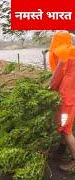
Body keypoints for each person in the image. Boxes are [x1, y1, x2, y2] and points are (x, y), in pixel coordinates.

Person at [49, 31, 75, 171]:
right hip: (72, 96)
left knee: (66, 129)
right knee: (63, 125)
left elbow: (56, 77)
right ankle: (61, 150)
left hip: (67, 99)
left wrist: (49, 88)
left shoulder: (64, 55)